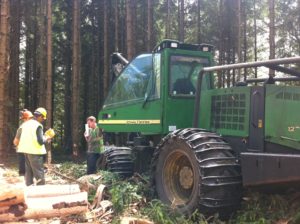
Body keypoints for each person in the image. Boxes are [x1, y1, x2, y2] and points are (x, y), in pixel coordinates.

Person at [16, 107, 53, 186]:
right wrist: (47, 137)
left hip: (26, 152)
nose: (43, 120)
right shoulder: (38, 125)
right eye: (43, 118)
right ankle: (41, 192)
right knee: (39, 173)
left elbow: (30, 137)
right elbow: (40, 141)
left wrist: (44, 136)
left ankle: (29, 191)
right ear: (40, 116)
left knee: (28, 173)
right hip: (35, 152)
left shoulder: (25, 124)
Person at [13, 109, 33, 176]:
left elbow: (16, 141)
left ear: (25, 118)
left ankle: (22, 174)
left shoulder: (22, 127)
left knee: (22, 163)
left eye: (23, 118)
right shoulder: (36, 127)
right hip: (33, 151)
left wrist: (15, 144)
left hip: (22, 149)